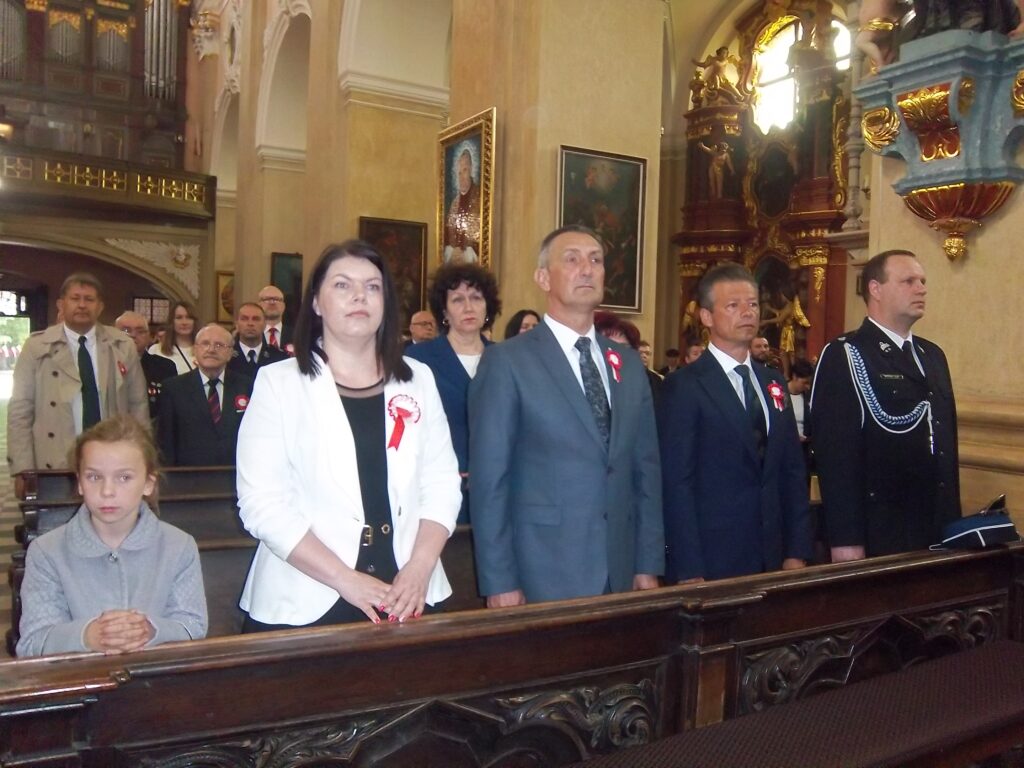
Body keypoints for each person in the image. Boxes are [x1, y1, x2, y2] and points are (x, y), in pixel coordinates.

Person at [236, 240, 461, 630]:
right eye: (342, 285)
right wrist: (345, 579)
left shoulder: (418, 379)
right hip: (309, 595)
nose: (360, 295)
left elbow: (442, 484)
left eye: (373, 286)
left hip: (410, 588)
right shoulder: (278, 383)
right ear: (317, 302)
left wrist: (420, 567)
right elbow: (262, 504)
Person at [468, 225, 663, 606]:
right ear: (543, 278)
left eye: (596, 260)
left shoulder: (625, 362)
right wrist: (499, 579)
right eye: (572, 260)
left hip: (620, 567)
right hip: (542, 567)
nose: (586, 269)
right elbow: (490, 480)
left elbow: (646, 469)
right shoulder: (508, 362)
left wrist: (647, 562)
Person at [660, 263, 812, 583]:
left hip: (772, 553)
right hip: (713, 556)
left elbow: (791, 469)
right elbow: (677, 483)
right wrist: (689, 567)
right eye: (733, 305)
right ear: (706, 317)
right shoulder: (684, 386)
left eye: (753, 304)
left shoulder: (773, 382)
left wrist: (796, 550)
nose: (747, 313)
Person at [810, 250, 960, 561]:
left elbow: (945, 446)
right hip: (881, 531)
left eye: (922, 281)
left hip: (935, 528)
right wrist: (845, 539)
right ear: (875, 289)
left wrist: (953, 526)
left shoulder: (932, 356)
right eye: (908, 281)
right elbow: (836, 456)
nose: (921, 289)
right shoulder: (846, 354)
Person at [16, 415, 207, 656]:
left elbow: (193, 626)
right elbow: (33, 642)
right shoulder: (47, 551)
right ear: (80, 483)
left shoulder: (179, 545)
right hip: (80, 678)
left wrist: (151, 631)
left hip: (155, 676)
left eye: (124, 477)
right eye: (94, 477)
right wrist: (86, 636)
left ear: (148, 483)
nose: (107, 491)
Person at [8, 273, 148, 475]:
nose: (82, 305)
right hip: (54, 457)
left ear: (100, 307)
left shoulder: (122, 346)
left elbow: (138, 406)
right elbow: (20, 410)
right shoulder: (36, 347)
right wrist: (23, 468)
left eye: (89, 299)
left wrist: (142, 459)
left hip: (112, 455)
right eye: (75, 298)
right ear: (61, 304)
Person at [406, 263, 500, 524]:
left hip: (495, 491)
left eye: (476, 298)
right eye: (458, 299)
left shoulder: (506, 358)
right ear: (444, 311)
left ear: (488, 306)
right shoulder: (418, 359)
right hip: (436, 492)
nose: (468, 307)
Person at [158, 324, 253, 467]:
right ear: (195, 350)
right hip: (189, 475)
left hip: (235, 472)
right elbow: (166, 441)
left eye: (219, 345)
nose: (211, 349)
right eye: (205, 344)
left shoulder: (247, 386)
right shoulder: (174, 388)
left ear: (230, 353)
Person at [115, 311, 177, 422]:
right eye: (126, 330)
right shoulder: (103, 364)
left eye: (140, 331)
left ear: (149, 337)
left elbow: (169, 409)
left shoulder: (165, 367)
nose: (133, 335)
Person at [227, 302, 288, 379]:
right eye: (244, 319)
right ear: (236, 324)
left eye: (256, 319)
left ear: (265, 324)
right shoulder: (226, 355)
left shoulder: (278, 357)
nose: (250, 323)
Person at [443, 148, 482, 263]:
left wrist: (467, 255)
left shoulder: (481, 199)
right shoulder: (454, 203)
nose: (461, 177)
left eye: (465, 170)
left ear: (471, 170)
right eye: (459, 173)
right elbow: (446, 239)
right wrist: (451, 251)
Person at [149, 300, 198, 375]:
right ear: (171, 321)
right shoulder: (156, 350)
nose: (184, 322)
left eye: (189, 317)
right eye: (179, 318)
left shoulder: (204, 350)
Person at [258, 285, 292, 352]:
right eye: (267, 299)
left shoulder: (297, 335)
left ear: (283, 306)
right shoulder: (250, 334)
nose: (272, 303)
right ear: (258, 305)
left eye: (276, 299)